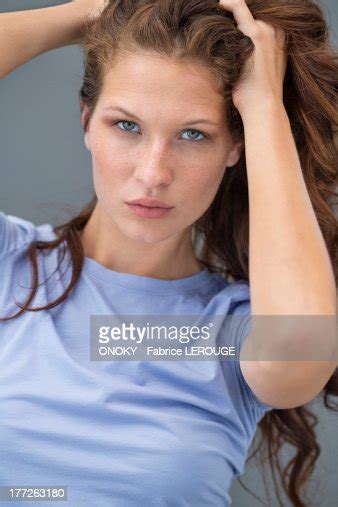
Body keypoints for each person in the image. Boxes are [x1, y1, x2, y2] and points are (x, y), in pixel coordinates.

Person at [0, 0, 337, 506]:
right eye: (127, 126)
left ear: (236, 148)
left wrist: (264, 106)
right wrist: (85, 16)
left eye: (193, 134)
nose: (154, 173)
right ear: (86, 121)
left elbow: (298, 346)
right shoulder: (9, 264)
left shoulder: (226, 334)